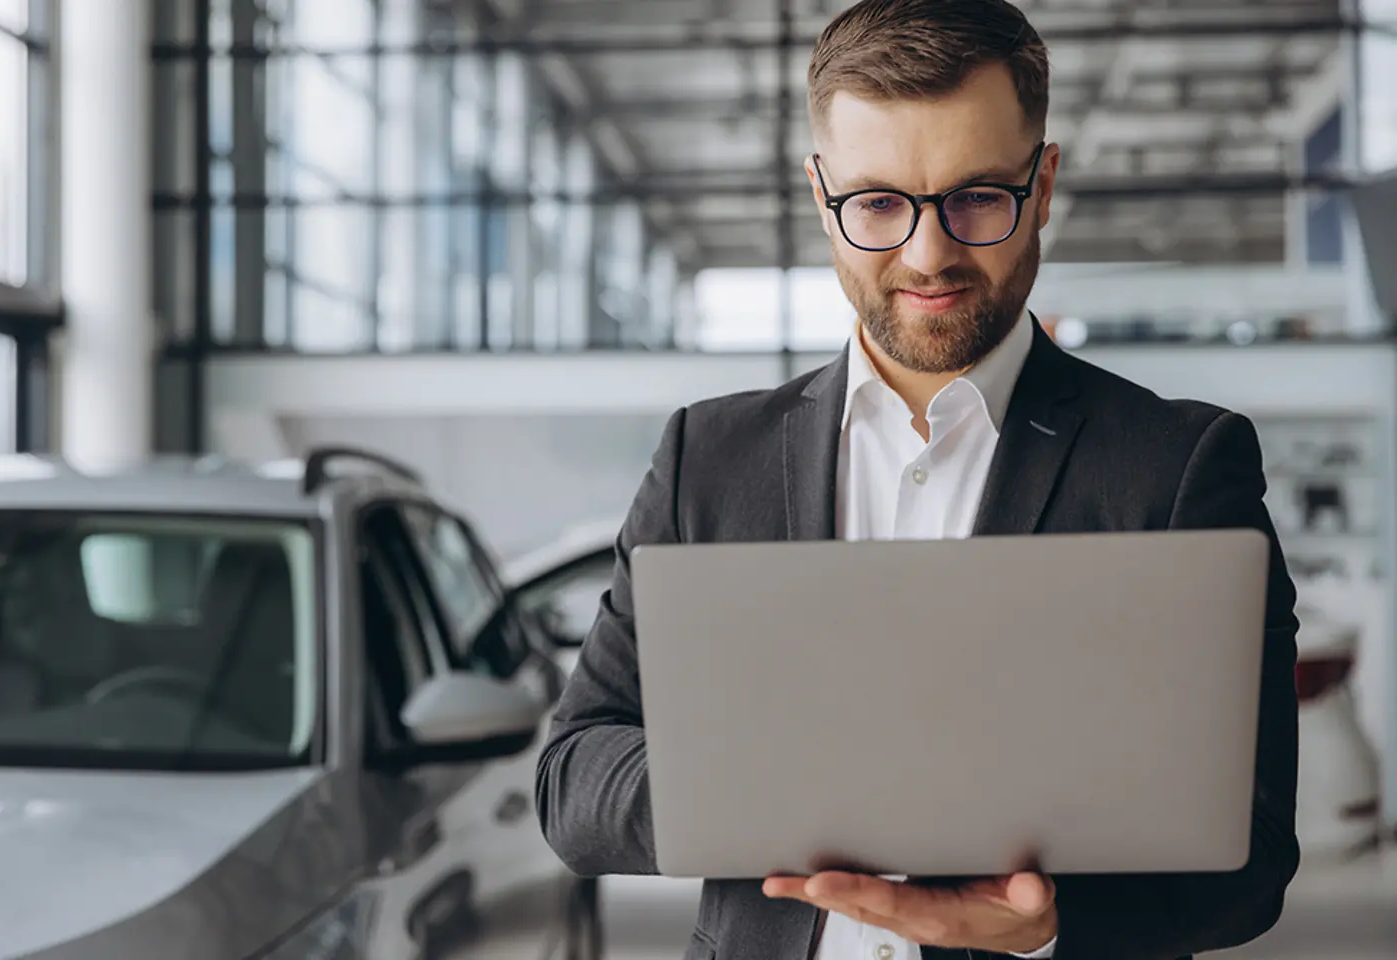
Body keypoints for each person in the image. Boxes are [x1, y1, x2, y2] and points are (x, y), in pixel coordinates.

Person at [534, 1, 1301, 958]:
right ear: (822, 197)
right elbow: (572, 781)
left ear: (1045, 180)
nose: (929, 253)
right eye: (879, 203)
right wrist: (776, 787)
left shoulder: (1180, 467)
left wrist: (1051, 926)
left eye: (979, 196)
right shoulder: (709, 458)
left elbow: (1254, 855)